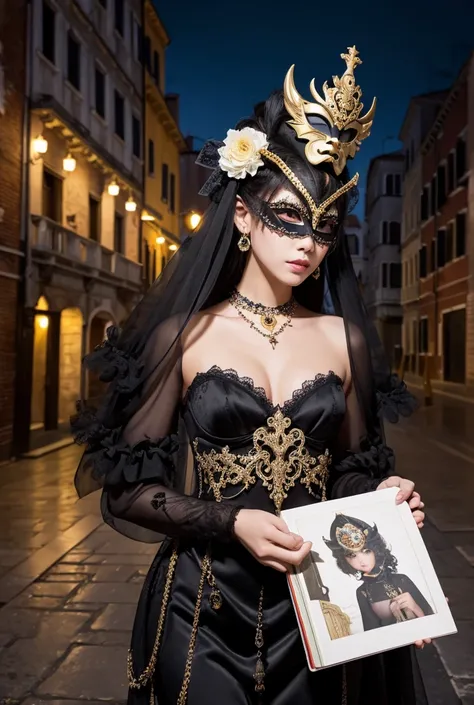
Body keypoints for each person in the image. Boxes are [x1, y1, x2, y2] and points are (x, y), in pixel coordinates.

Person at [73, 46, 426, 705]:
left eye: (324, 227)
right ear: (242, 213)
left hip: (321, 605)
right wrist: (229, 522)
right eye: (288, 216)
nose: (306, 244)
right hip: (200, 603)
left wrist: (385, 494)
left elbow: (347, 468)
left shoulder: (342, 338)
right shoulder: (185, 336)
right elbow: (124, 489)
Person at [324, 513, 434, 631]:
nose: (361, 560)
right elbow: (373, 635)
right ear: (344, 560)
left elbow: (434, 622)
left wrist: (416, 609)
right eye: (352, 555)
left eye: (366, 551)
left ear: (375, 549)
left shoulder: (402, 579)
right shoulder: (362, 592)